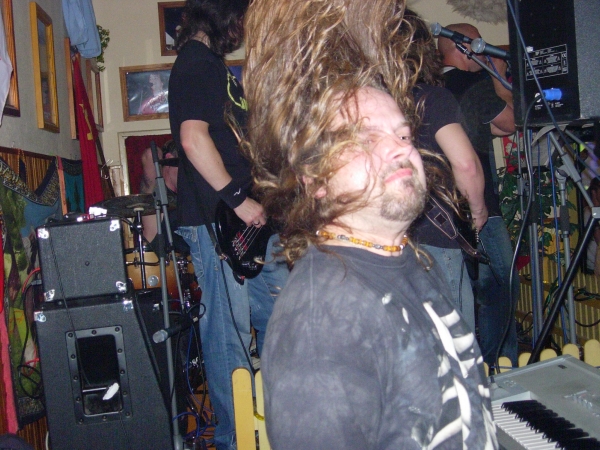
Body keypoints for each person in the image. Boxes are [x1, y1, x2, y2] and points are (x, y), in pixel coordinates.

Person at [243, 1, 497, 448]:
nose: (399, 149)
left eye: (402, 134)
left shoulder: (415, 262)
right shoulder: (323, 319)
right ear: (315, 179)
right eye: (364, 138)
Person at [167, 1, 289, 448]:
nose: (242, 28)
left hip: (249, 221)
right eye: (240, 18)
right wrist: (238, 200)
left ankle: (280, 425)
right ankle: (234, 440)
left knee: (283, 318)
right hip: (219, 221)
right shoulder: (195, 62)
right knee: (227, 335)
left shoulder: (214, 66)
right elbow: (192, 138)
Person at [438, 23, 519, 366]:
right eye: (479, 46)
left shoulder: (437, 85)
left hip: (445, 209)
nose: (484, 53)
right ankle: (501, 365)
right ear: (463, 48)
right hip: (479, 204)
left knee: (474, 290)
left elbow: (494, 128)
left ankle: (481, 367)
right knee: (502, 284)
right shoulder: (468, 81)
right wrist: (499, 76)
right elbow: (510, 123)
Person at [402, 9, 487, 331]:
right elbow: (465, 163)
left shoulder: (369, 101)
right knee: (455, 340)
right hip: (434, 234)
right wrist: (476, 210)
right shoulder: (432, 97)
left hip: (385, 237)